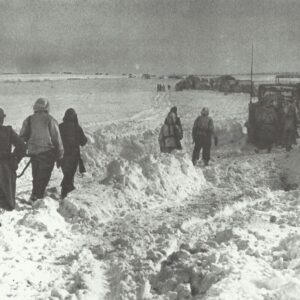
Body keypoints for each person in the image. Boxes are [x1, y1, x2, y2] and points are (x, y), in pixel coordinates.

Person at [20, 98, 64, 202]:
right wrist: (60, 155)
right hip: (47, 153)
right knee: (43, 177)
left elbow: (21, 137)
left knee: (36, 175)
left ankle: (35, 196)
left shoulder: (29, 119)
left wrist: (26, 147)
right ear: (46, 107)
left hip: (33, 153)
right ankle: (37, 198)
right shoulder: (50, 120)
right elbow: (57, 139)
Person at [0, 108, 26, 216]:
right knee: (7, 201)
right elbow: (22, 146)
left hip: (6, 165)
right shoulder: (8, 131)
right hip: (6, 167)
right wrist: (15, 159)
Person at [59, 108, 87, 199]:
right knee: (70, 174)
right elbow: (83, 142)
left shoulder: (60, 126)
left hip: (62, 155)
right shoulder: (77, 127)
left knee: (67, 173)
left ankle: (67, 190)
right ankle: (65, 192)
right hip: (73, 155)